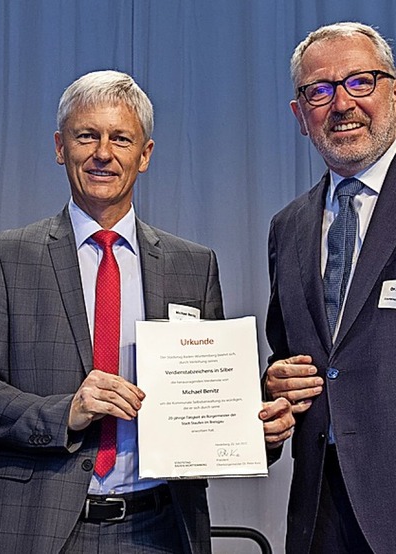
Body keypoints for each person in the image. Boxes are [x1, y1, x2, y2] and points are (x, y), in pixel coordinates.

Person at [0, 70, 293, 554]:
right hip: (39, 531)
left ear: (145, 154)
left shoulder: (193, 265)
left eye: (121, 138)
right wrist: (65, 411)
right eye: (86, 135)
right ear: (59, 146)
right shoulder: (9, 256)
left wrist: (259, 432)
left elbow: (208, 406)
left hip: (160, 529)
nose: (103, 153)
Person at [264, 21, 396, 553]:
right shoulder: (288, 227)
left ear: (393, 92)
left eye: (360, 82)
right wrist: (272, 387)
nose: (341, 103)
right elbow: (289, 356)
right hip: (320, 510)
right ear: (300, 116)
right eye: (319, 90)